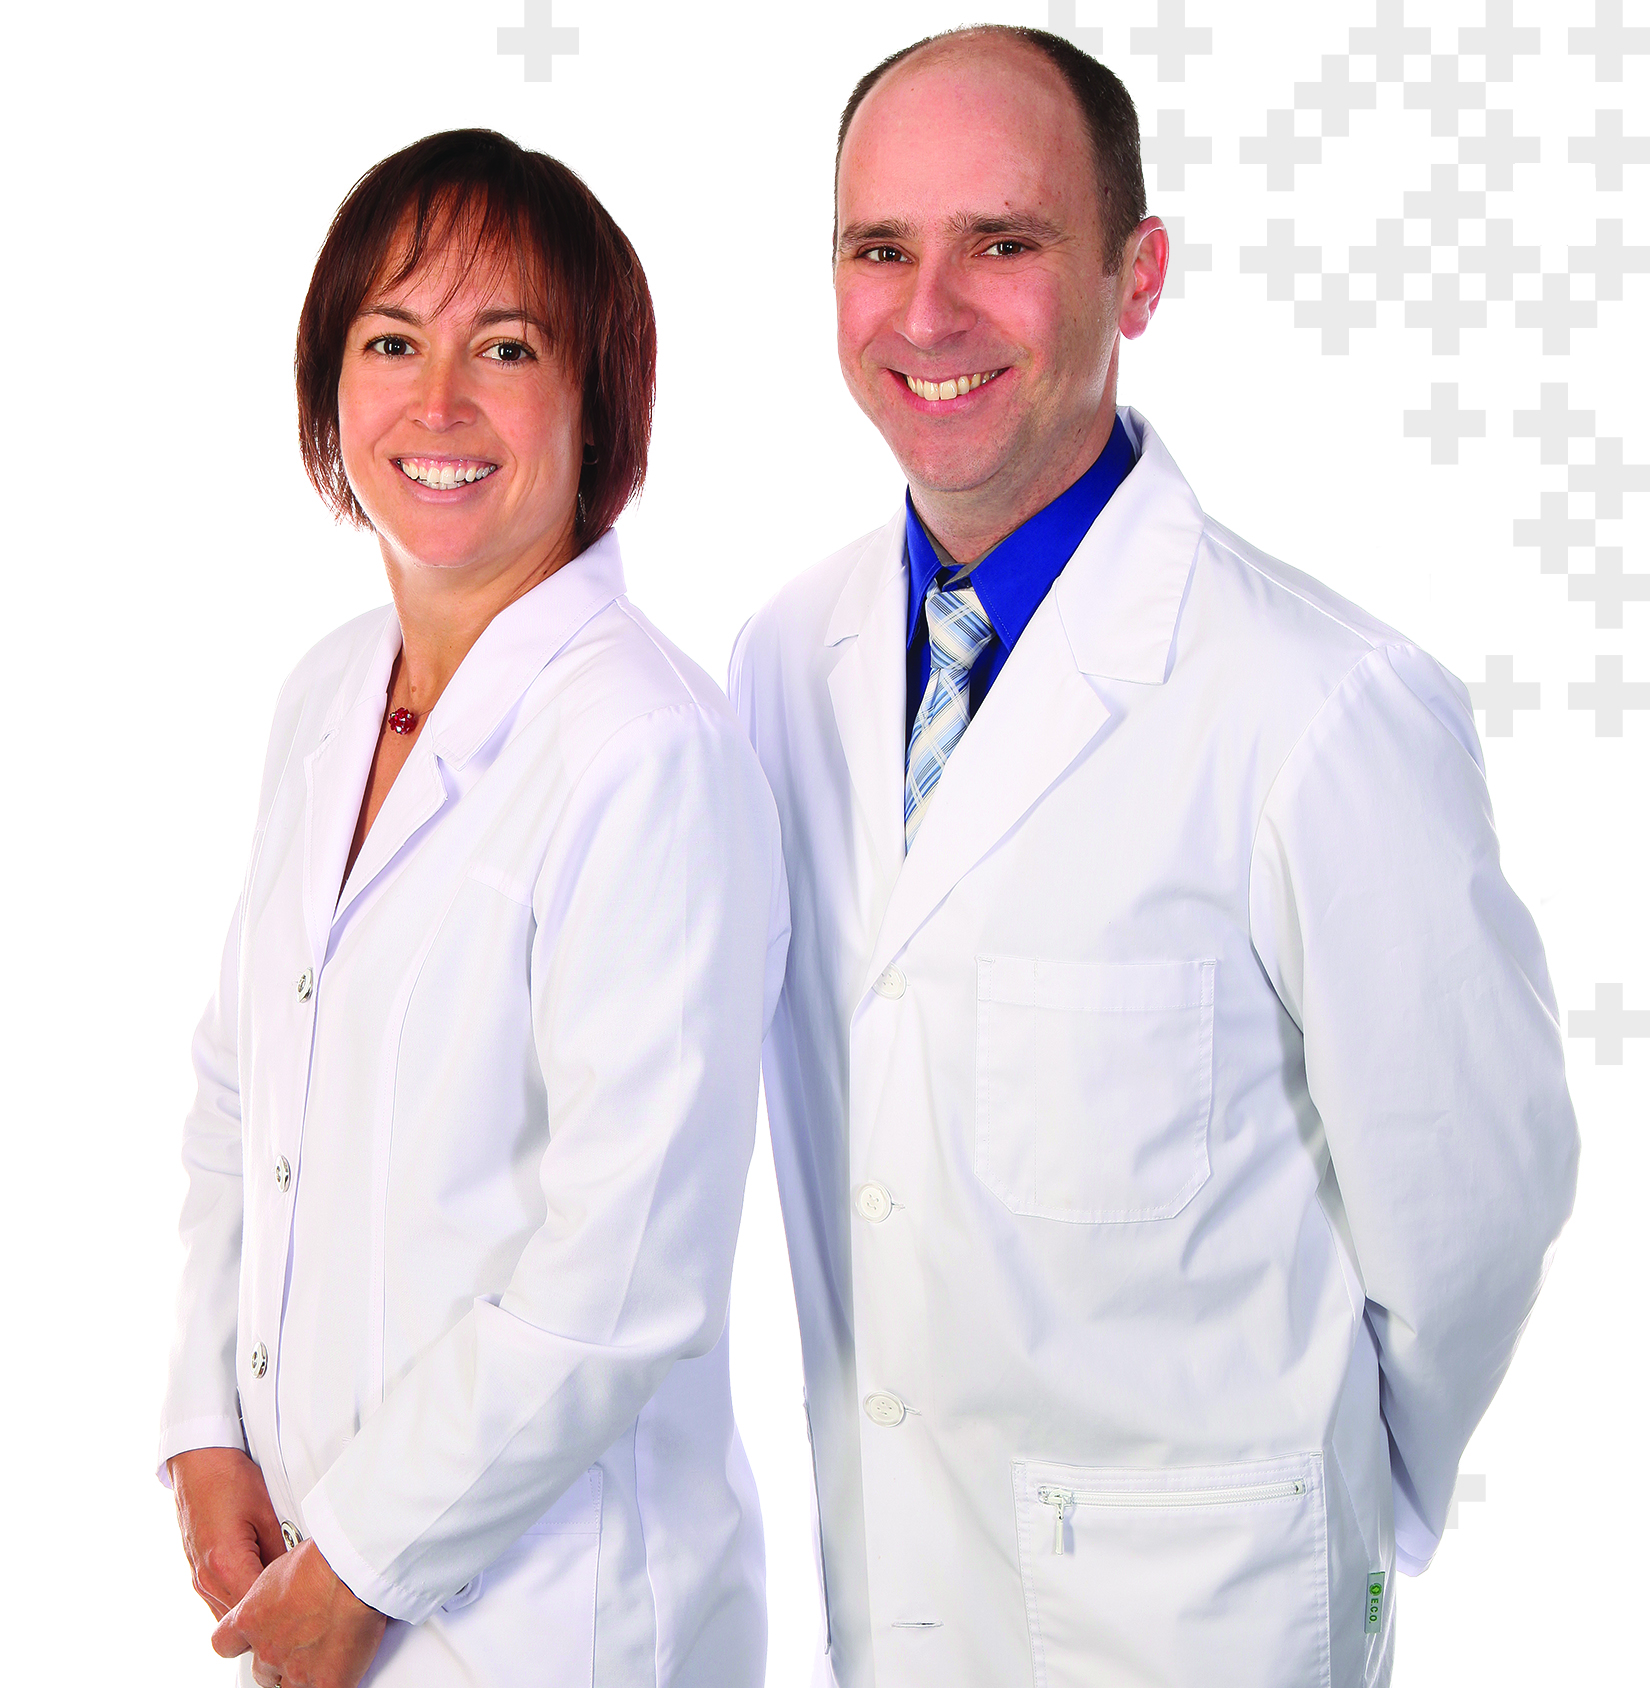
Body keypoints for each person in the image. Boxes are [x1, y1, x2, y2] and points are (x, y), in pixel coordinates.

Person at [729, 26, 1577, 1688]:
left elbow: (1474, 1198)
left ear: (1138, 277)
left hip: (1199, 1628)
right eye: (878, 248)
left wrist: (1332, 1485)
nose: (925, 312)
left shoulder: (1319, 707)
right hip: (890, 1607)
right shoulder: (781, 660)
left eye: (1002, 243)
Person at [159, 129, 787, 1688]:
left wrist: (362, 1563)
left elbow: (621, 1269)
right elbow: (240, 1087)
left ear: (597, 404)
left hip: (559, 1625)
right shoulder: (326, 695)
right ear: (329, 386)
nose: (435, 404)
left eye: (504, 348)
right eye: (391, 343)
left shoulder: (646, 749)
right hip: (312, 1573)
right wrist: (204, 1424)